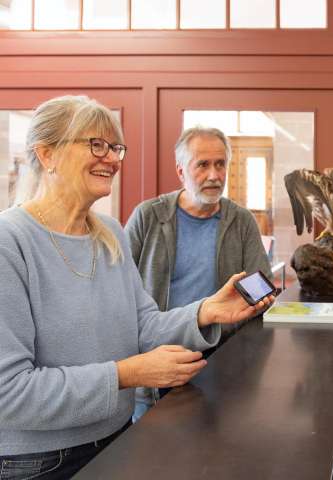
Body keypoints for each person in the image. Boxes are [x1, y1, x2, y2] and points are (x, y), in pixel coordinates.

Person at [0, 95, 273, 479]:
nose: (112, 159)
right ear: (47, 154)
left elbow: (143, 325)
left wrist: (205, 311)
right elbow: (9, 393)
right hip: (39, 462)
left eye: (116, 148)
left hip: (117, 438)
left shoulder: (109, 234)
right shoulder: (9, 243)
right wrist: (127, 374)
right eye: (96, 145)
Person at [124, 126, 272, 420]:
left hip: (219, 366)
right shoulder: (147, 216)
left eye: (220, 164)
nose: (214, 175)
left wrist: (257, 300)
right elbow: (120, 291)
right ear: (181, 171)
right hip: (157, 363)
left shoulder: (241, 221)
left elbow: (261, 286)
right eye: (202, 165)